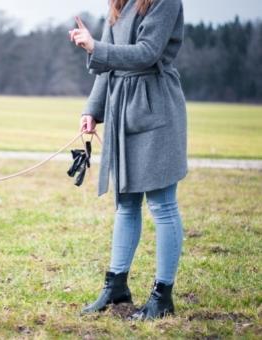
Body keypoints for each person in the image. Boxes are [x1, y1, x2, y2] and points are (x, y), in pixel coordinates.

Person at [69, 0, 187, 320]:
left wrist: (96, 46)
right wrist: (91, 110)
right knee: (125, 203)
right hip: (121, 109)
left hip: (156, 108)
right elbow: (108, 65)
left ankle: (162, 296)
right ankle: (116, 286)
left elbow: (147, 52)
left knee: (162, 205)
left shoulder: (165, 1)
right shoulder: (119, 4)